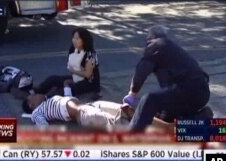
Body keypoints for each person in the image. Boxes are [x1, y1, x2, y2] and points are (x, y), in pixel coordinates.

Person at [123, 25, 212, 132]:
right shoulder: (173, 50)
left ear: (150, 38)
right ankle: (202, 117)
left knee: (149, 100)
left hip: (188, 90)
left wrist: (132, 94)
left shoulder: (155, 45)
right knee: (166, 113)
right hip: (202, 92)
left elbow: (141, 72)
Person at [22, 94, 174, 131]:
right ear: (31, 103)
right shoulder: (37, 112)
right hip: (83, 114)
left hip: (92, 105)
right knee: (123, 123)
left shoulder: (50, 98)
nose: (36, 94)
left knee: (130, 111)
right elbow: (43, 127)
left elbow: (68, 96)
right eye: (32, 96)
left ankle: (170, 126)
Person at [35, 28, 101, 100]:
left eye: (77, 38)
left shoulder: (91, 54)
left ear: (84, 40)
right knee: (52, 79)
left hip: (89, 82)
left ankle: (45, 100)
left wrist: (73, 73)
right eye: (73, 38)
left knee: (63, 90)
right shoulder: (73, 49)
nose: (74, 40)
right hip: (76, 77)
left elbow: (87, 74)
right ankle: (35, 92)